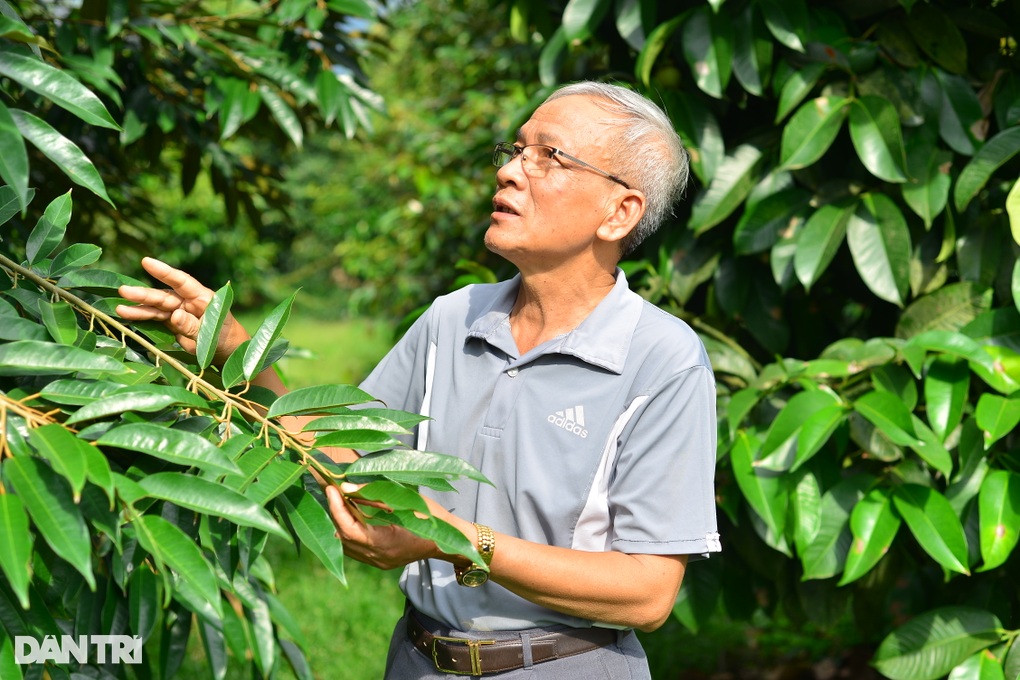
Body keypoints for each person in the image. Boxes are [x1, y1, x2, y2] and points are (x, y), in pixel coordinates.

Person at [118, 80, 721, 679]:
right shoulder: (454, 318)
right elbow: (351, 458)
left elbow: (646, 593)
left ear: (620, 212)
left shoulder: (662, 359)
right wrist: (239, 356)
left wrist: (453, 538)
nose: (511, 171)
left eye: (550, 155)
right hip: (418, 658)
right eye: (515, 150)